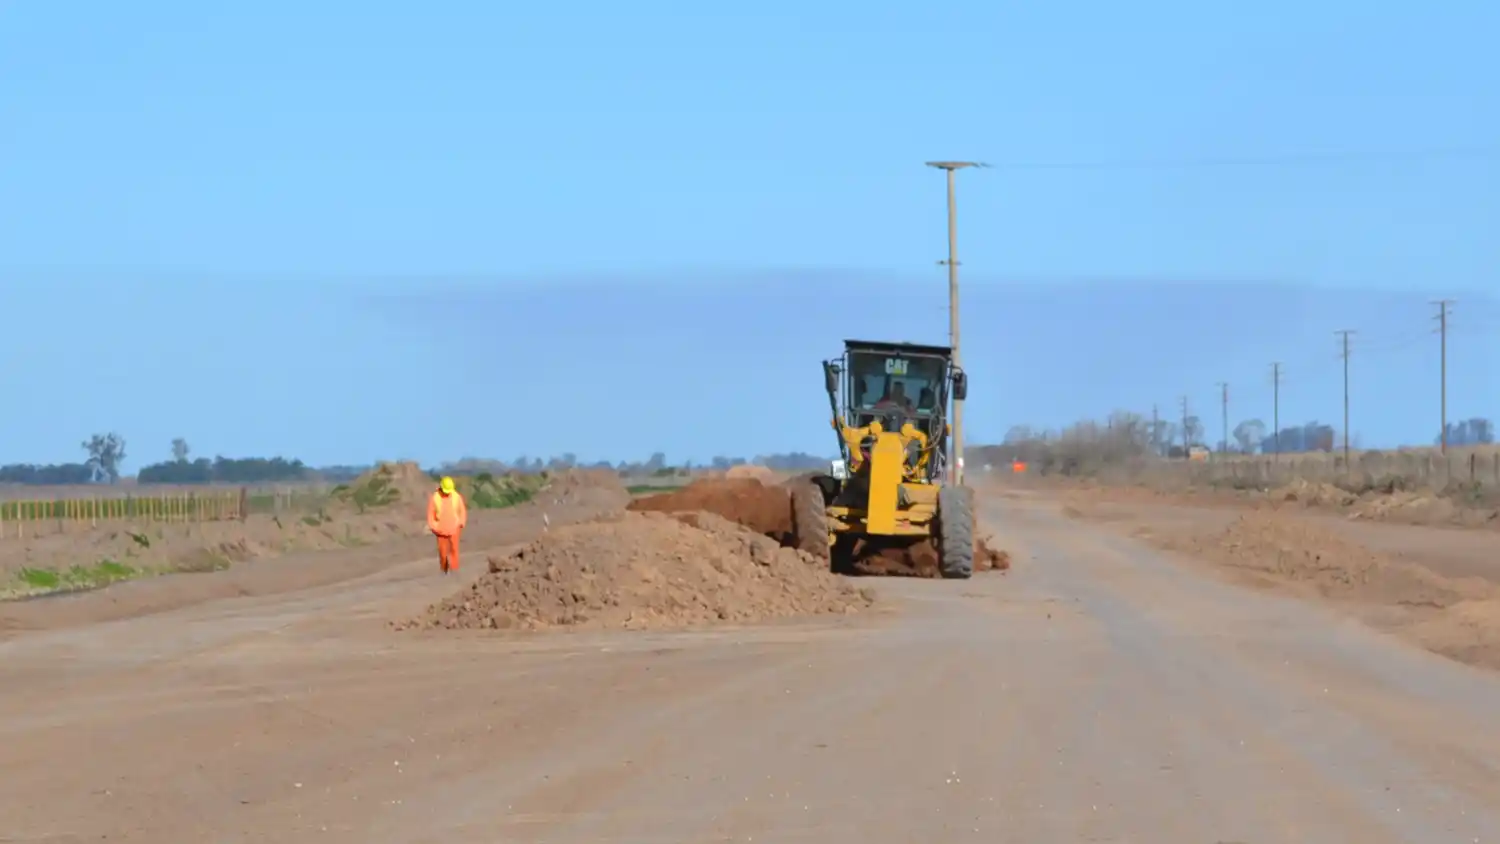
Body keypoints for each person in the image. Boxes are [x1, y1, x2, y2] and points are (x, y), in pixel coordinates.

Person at [427, 476, 468, 574]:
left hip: (454, 527)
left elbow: (462, 510)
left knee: (454, 549)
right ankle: (444, 569)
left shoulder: (456, 497)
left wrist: (461, 522)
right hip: (440, 530)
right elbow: (430, 514)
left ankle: (454, 569)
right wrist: (433, 526)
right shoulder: (435, 498)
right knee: (443, 552)